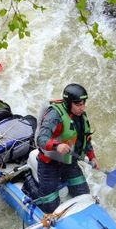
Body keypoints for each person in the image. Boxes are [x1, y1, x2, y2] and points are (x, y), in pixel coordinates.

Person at [32, 83, 100, 213]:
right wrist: (57, 146)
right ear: (69, 103)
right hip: (49, 165)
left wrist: (93, 157)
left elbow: (86, 138)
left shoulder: (80, 116)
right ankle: (32, 191)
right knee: (50, 207)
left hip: (69, 163)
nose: (82, 108)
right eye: (78, 105)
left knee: (84, 196)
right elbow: (41, 139)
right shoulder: (54, 115)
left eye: (84, 104)